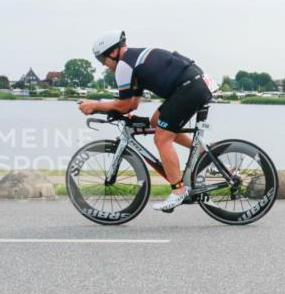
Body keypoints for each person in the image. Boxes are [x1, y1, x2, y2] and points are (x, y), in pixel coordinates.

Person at [79, 30, 213, 211]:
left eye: (102, 60)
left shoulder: (124, 66)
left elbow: (124, 105)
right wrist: (115, 109)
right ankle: (201, 151)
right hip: (193, 83)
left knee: (161, 138)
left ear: (112, 52)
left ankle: (178, 192)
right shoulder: (133, 60)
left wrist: (95, 105)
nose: (104, 65)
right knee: (156, 122)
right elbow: (132, 104)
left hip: (189, 86)